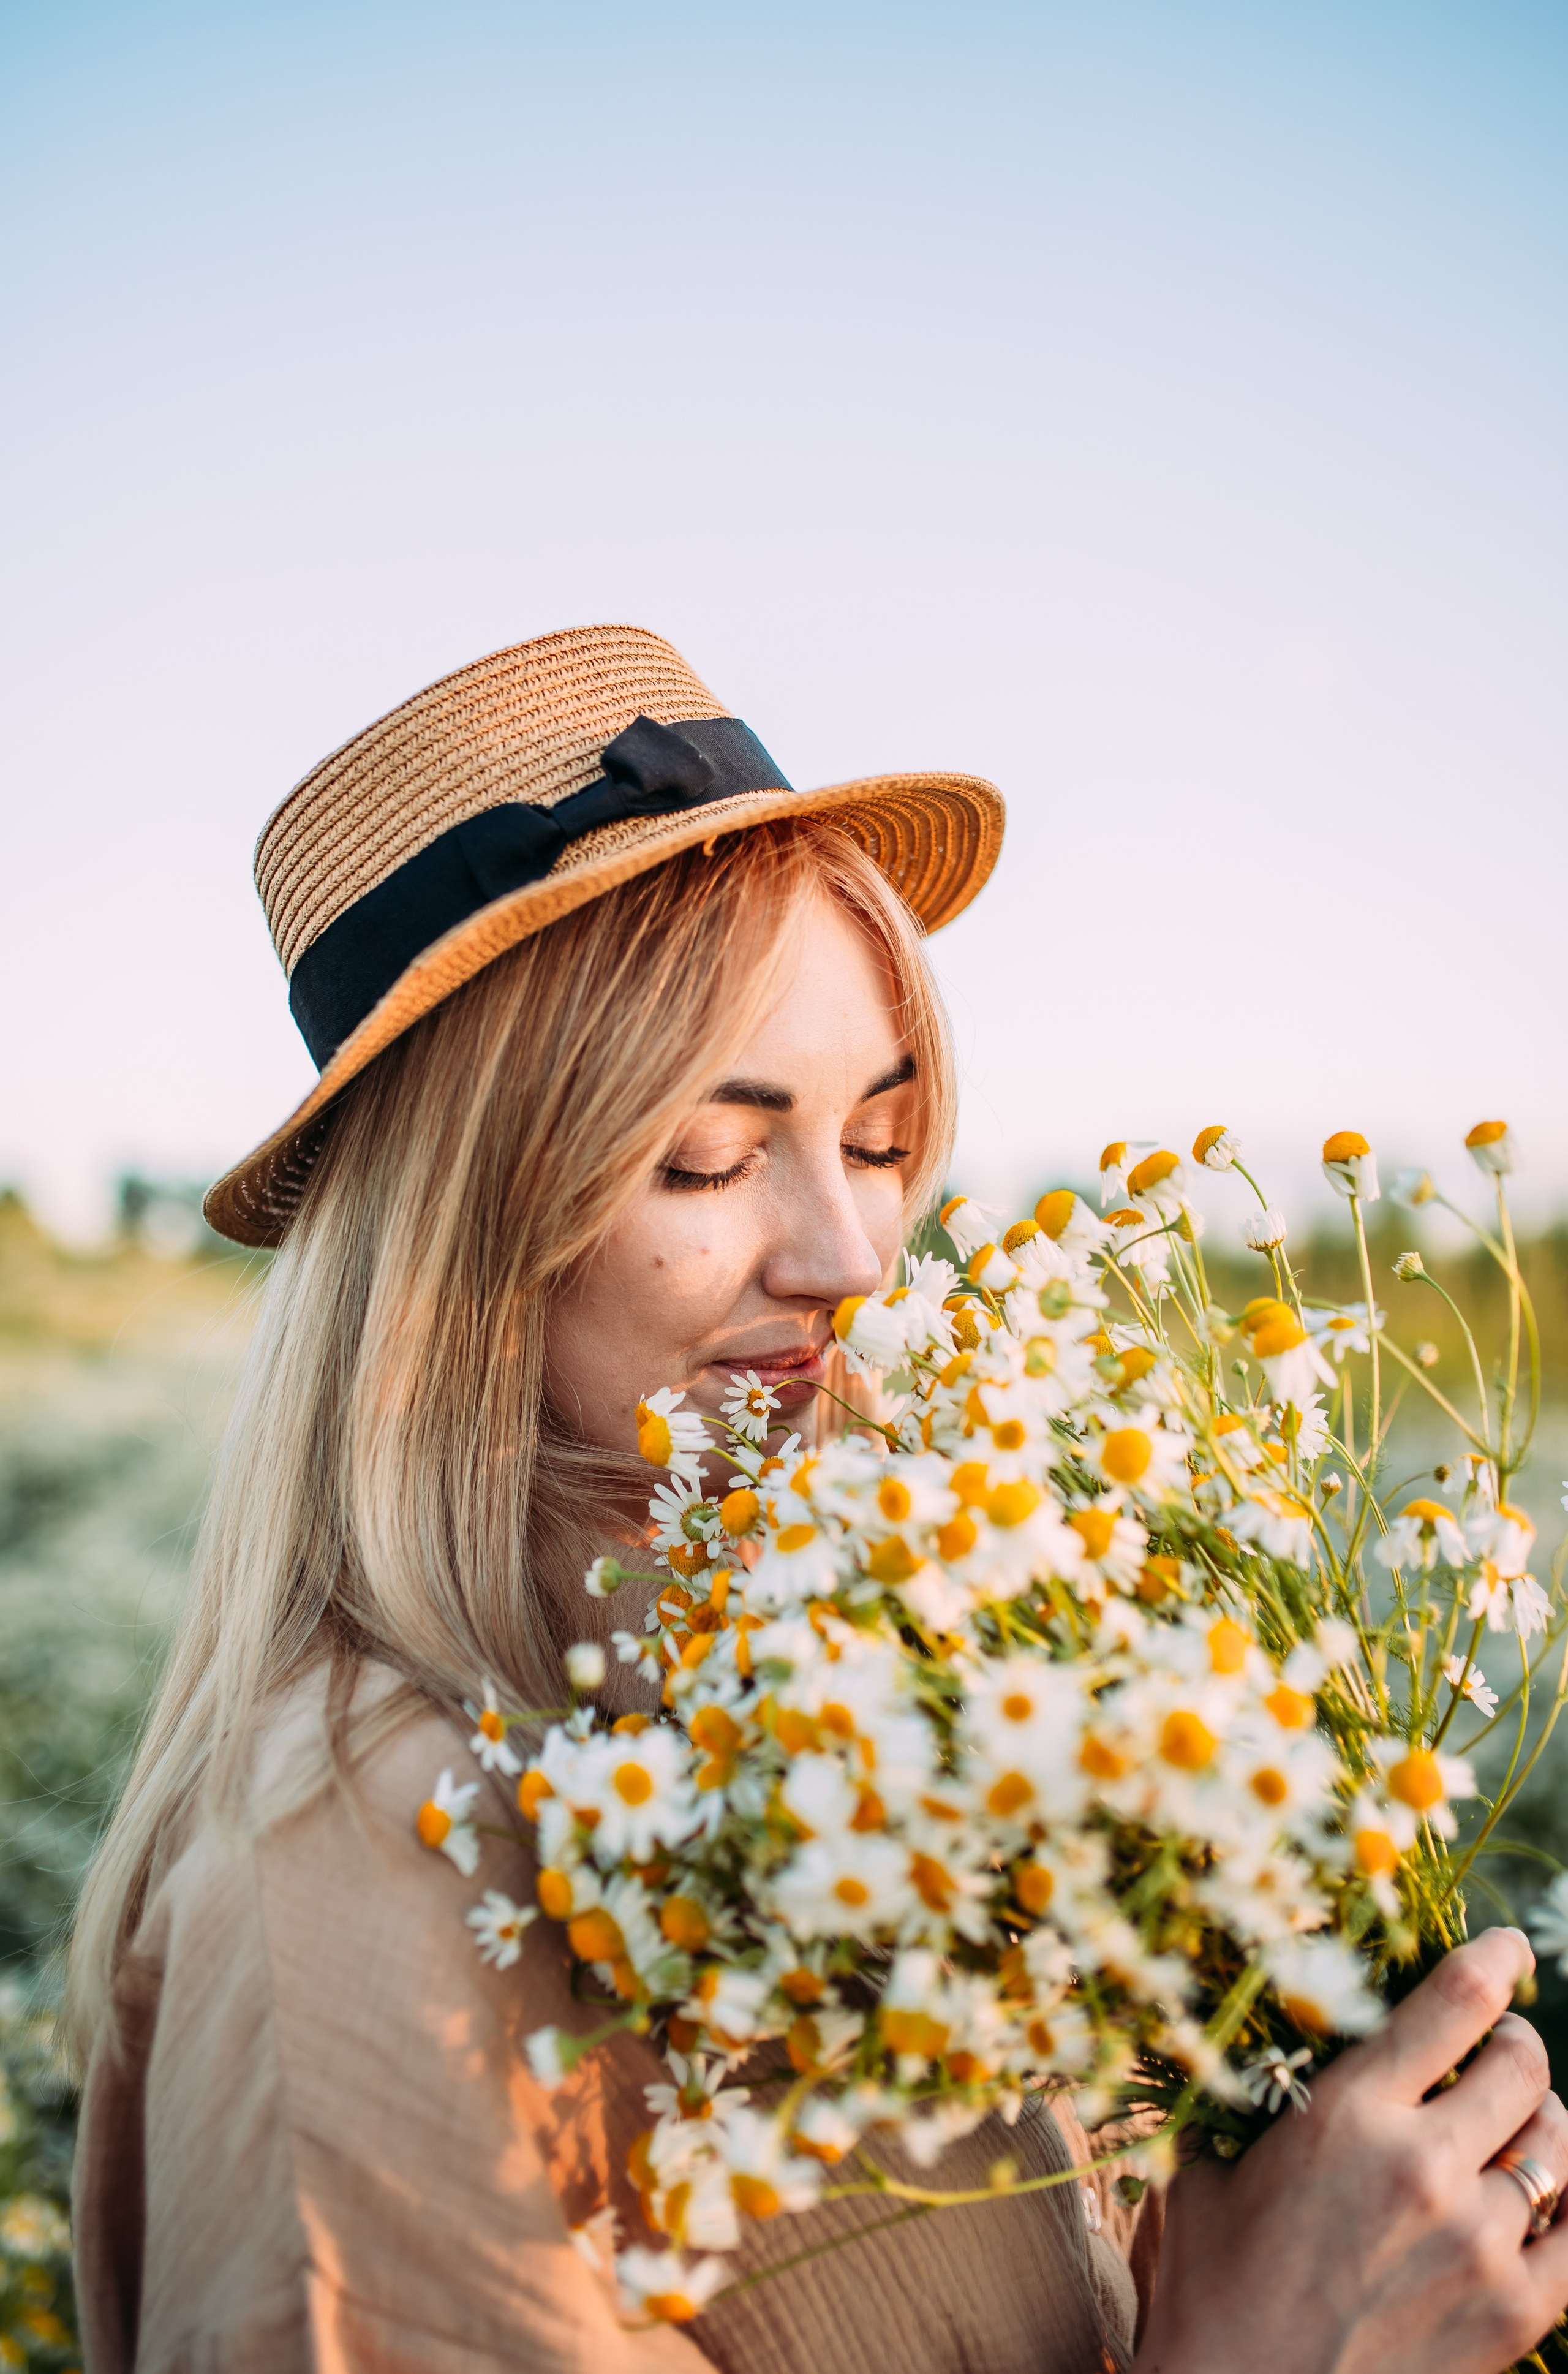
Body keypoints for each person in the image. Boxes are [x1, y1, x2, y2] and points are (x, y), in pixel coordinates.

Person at [69, 626, 1568, 2373]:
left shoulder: (836, 1719)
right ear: (456, 1226)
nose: (853, 1257)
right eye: (706, 1156)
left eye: (878, 1137)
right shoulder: (347, 1883)